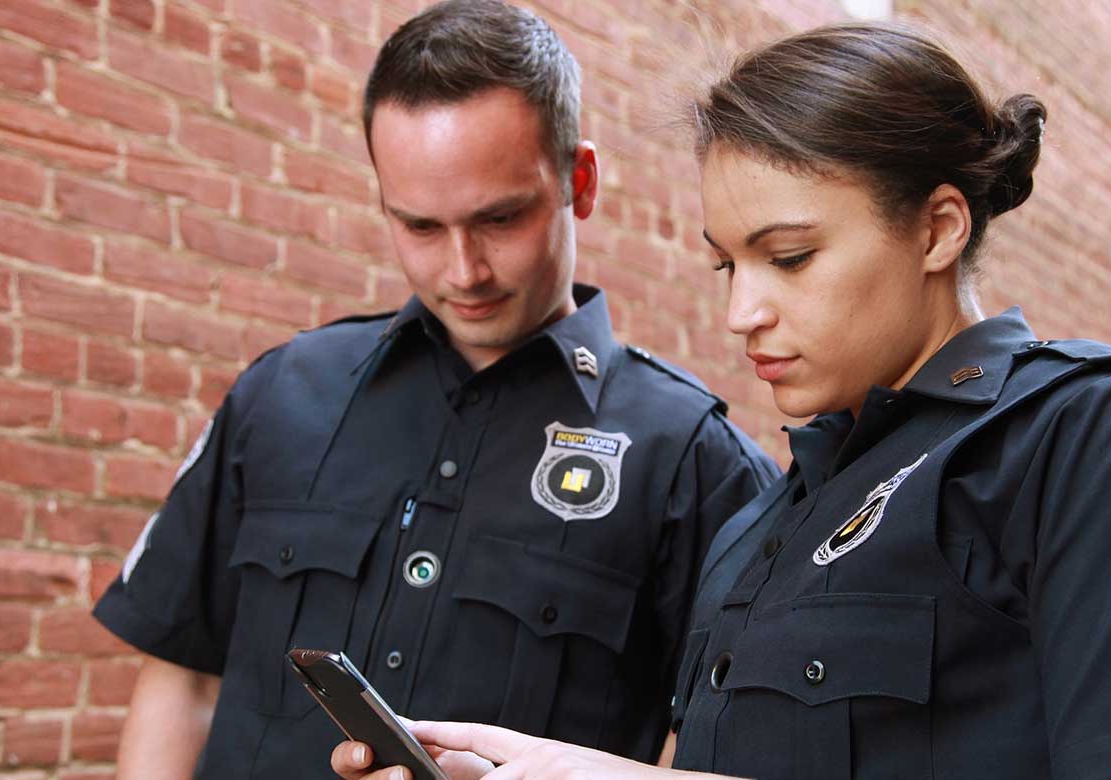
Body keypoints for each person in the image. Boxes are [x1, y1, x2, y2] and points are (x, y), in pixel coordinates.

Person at [332, 21, 1111, 780]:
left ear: (938, 229)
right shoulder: (763, 522)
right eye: (726, 264)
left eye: (789, 258)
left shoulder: (1089, 445)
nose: (741, 312)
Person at [91, 1, 778, 778]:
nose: (464, 271)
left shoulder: (696, 465)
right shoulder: (282, 392)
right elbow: (183, 682)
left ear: (578, 181)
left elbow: (712, 754)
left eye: (500, 219)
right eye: (419, 226)